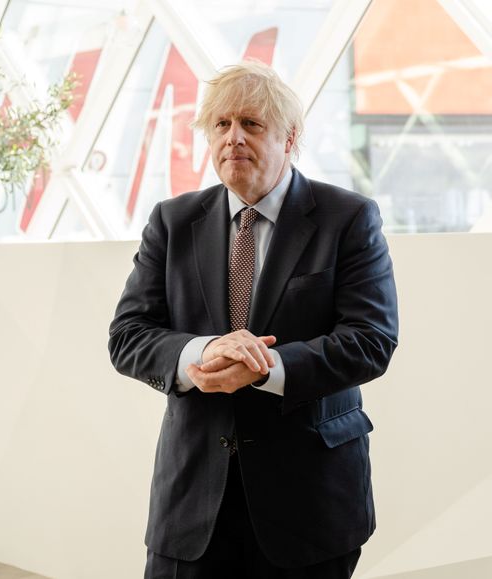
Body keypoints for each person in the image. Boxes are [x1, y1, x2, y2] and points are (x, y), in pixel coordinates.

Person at [108, 61, 398, 579]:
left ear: (290, 139)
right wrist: (202, 351)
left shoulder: (348, 218)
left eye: (251, 124)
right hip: (192, 502)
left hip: (309, 502)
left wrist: (264, 366)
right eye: (220, 125)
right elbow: (129, 337)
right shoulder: (172, 222)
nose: (233, 137)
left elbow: (370, 340)